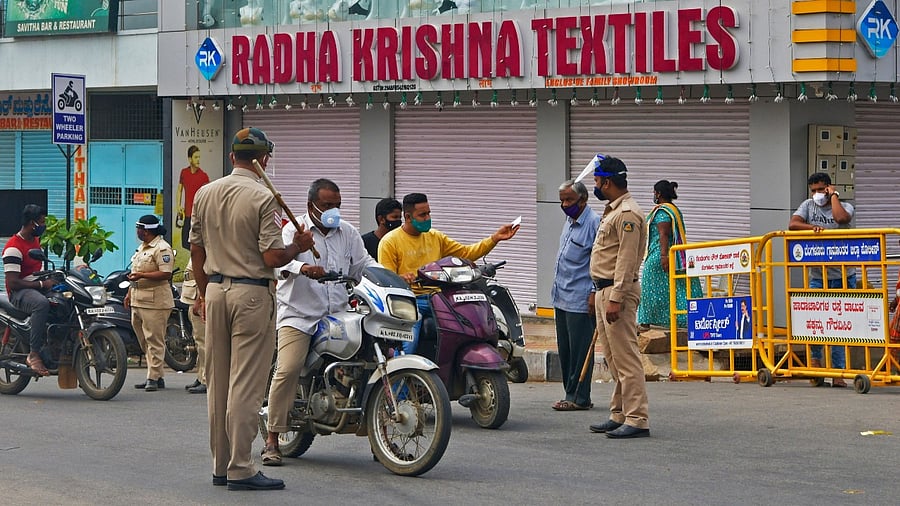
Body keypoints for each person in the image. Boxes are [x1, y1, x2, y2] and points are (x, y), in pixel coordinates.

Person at [190, 127, 314, 491]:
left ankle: (220, 466)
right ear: (264, 160)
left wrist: (202, 294)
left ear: (232, 157)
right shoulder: (264, 197)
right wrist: (299, 246)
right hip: (251, 295)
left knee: (219, 384)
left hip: (214, 290)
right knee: (245, 386)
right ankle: (241, 467)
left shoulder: (205, 193)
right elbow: (272, 256)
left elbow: (196, 250)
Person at [262, 178, 380, 466]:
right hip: (299, 315)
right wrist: (302, 266)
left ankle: (378, 435)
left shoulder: (348, 232)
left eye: (337, 205)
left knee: (369, 360)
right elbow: (278, 262)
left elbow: (364, 265)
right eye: (327, 205)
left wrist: (391, 277)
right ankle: (272, 439)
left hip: (339, 313)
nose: (333, 211)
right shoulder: (294, 229)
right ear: (311, 206)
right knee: (288, 369)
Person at [378, 192, 520, 354]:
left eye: (429, 213)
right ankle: (399, 377)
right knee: (409, 344)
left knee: (471, 325)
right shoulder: (390, 242)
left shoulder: (436, 237)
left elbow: (466, 253)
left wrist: (495, 238)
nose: (427, 218)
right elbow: (386, 278)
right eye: (422, 215)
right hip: (411, 302)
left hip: (439, 298)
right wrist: (402, 278)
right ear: (408, 217)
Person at [585, 155, 650, 439]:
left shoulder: (627, 214)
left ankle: (637, 418)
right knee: (613, 358)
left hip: (616, 290)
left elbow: (625, 260)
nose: (596, 187)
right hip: (604, 289)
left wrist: (616, 297)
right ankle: (619, 413)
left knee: (626, 358)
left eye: (597, 182)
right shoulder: (613, 211)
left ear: (608, 182)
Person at [788, 172, 854, 387]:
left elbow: (841, 219)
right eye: (813, 190)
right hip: (818, 276)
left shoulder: (844, 206)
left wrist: (833, 196)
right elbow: (793, 224)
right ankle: (815, 365)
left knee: (841, 324)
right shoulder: (808, 205)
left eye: (821, 190)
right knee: (816, 321)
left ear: (828, 188)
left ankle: (838, 372)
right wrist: (812, 228)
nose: (817, 194)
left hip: (843, 275)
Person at [550, 180, 601, 412]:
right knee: (566, 350)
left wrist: (593, 293)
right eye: (562, 200)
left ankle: (580, 397)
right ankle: (569, 392)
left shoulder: (593, 223)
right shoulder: (569, 221)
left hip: (580, 298)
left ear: (583, 200)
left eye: (569, 200)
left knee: (580, 350)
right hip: (561, 295)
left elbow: (598, 261)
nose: (564, 204)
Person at [637, 180, 703, 330]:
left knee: (650, 288)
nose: (654, 195)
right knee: (676, 288)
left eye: (654, 192)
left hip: (661, 255)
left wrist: (663, 256)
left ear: (659, 193)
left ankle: (646, 322)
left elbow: (664, 234)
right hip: (676, 256)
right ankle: (684, 319)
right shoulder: (674, 209)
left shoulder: (662, 212)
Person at [2, 204, 52, 376]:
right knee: (42, 304)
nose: (44, 225)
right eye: (42, 222)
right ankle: (34, 353)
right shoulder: (13, 248)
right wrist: (40, 285)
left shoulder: (36, 242)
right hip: (19, 293)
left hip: (35, 287)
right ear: (33, 223)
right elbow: (13, 282)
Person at [127, 215, 175, 392]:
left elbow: (166, 273)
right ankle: (156, 373)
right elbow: (135, 272)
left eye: (139, 228)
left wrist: (143, 276)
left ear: (146, 230)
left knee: (154, 339)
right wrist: (129, 293)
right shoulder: (142, 248)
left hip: (155, 301)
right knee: (144, 340)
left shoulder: (162, 248)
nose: (137, 232)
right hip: (138, 299)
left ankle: (153, 377)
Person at [181, 258, 208, 394]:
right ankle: (200, 375)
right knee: (198, 340)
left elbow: (206, 275)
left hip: (198, 298)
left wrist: (201, 299)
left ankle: (206, 379)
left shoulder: (206, 250)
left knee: (204, 342)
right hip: (191, 298)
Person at [176, 145, 210, 250]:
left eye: (199, 157)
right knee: (184, 242)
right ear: (190, 159)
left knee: (197, 242)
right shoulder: (184, 173)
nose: (198, 160)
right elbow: (179, 190)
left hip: (198, 215)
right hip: (186, 214)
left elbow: (208, 195)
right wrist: (178, 206)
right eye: (196, 157)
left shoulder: (204, 176)